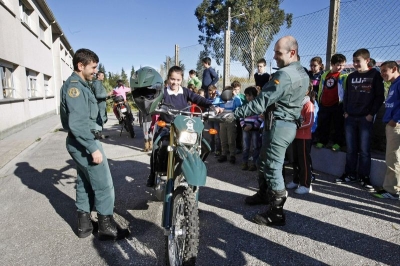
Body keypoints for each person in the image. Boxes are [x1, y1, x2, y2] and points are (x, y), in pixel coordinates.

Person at [231, 35, 309, 226]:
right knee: (264, 161)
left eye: (278, 52)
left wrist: (235, 113)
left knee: (273, 167)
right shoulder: (303, 73)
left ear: (292, 53)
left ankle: (276, 212)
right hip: (286, 124)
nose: (274, 56)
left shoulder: (284, 75)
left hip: (278, 126)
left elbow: (260, 103)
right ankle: (264, 194)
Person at [60, 48, 128, 240]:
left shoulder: (81, 85)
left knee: (84, 182)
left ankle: (84, 226)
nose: (95, 71)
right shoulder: (75, 88)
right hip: (84, 141)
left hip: (81, 140)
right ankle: (107, 227)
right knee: (104, 184)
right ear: (80, 66)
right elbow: (77, 123)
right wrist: (92, 148)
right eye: (93, 67)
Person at [146, 66, 213, 187]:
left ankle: (191, 169)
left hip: (183, 128)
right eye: (172, 79)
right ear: (168, 79)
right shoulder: (163, 92)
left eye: (178, 80)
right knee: (157, 147)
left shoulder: (185, 92)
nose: (175, 82)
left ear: (182, 80)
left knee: (200, 145)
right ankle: (153, 173)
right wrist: (151, 106)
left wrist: (211, 105)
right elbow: (153, 101)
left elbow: (198, 99)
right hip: (167, 126)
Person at [336, 48, 385, 190]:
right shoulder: (351, 77)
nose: (356, 64)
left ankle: (364, 177)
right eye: (354, 61)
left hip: (365, 118)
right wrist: (345, 112)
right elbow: (346, 96)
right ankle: (350, 174)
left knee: (364, 150)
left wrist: (371, 114)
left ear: (367, 60)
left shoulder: (375, 75)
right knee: (351, 148)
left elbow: (379, 97)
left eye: (358, 61)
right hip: (350, 117)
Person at [374, 61, 400, 199]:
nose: (382, 73)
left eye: (385, 70)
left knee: (393, 158)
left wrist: (395, 120)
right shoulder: (393, 84)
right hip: (392, 125)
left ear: (394, 69)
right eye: (381, 70)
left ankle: (392, 191)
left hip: (396, 126)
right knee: (393, 158)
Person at [285, 82, 315, 194]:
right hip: (294, 136)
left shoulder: (308, 104)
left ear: (306, 91)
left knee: (304, 161)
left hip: (303, 138)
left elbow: (310, 122)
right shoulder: (296, 104)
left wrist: (295, 126)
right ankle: (296, 180)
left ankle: (306, 185)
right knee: (295, 161)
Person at [315, 54, 348, 151]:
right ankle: (322, 141)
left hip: (337, 105)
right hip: (324, 104)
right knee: (324, 124)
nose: (341, 67)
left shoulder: (344, 76)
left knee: (338, 125)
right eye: (338, 65)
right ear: (332, 64)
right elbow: (321, 88)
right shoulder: (325, 75)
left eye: (343, 65)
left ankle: (338, 143)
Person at [213, 86, 242, 164]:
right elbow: (214, 104)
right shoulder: (221, 99)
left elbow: (239, 106)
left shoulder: (235, 99)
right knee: (223, 138)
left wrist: (235, 95)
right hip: (222, 120)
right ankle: (224, 154)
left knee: (231, 139)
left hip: (231, 120)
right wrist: (217, 106)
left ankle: (232, 155)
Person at [240, 86, 262, 171]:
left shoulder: (258, 106)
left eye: (250, 95)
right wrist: (244, 126)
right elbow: (240, 116)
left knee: (255, 146)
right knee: (246, 146)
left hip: (254, 129)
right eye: (246, 95)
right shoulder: (244, 105)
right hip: (245, 129)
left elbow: (260, 118)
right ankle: (244, 162)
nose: (248, 97)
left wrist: (253, 126)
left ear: (255, 96)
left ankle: (254, 163)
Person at [208, 85, 221, 156]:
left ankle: (218, 149)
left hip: (216, 118)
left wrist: (216, 93)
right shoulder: (208, 99)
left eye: (212, 93)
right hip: (210, 119)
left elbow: (220, 95)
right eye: (209, 93)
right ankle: (211, 148)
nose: (211, 95)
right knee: (211, 134)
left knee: (217, 135)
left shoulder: (218, 98)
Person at [232, 80, 245, 154]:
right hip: (231, 116)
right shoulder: (230, 96)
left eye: (238, 89)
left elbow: (242, 106)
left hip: (239, 117)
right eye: (235, 89)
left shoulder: (242, 97)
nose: (236, 91)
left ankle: (239, 147)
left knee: (239, 132)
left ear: (240, 89)